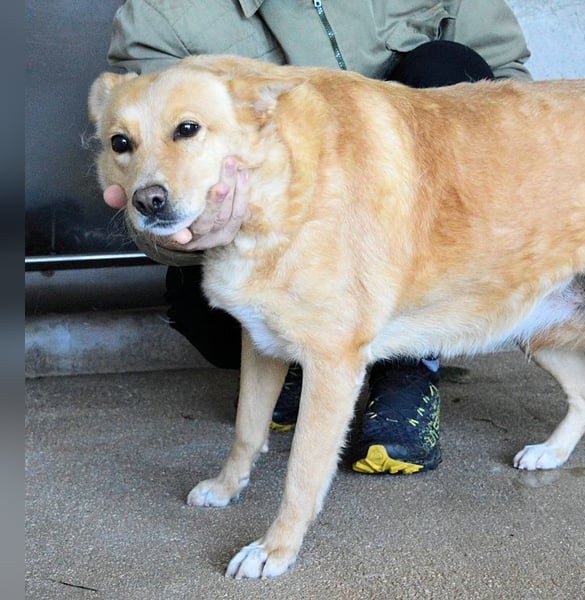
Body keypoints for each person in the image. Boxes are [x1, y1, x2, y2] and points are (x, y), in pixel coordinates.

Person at [102, 0, 532, 475]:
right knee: (202, 308)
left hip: (405, 229)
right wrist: (183, 231)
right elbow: (140, 149)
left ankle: (409, 366)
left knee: (449, 67)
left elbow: (508, 87)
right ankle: (295, 355)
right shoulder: (162, 13)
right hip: (270, 240)